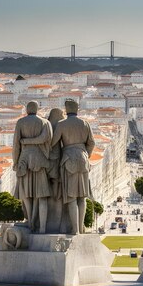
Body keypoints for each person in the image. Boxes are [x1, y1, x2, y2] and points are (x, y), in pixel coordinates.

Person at [51, 99, 95, 235]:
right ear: (77, 109)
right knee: (82, 196)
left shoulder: (62, 124)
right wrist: (86, 154)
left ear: (66, 110)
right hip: (83, 159)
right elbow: (92, 143)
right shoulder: (85, 123)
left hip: (68, 159)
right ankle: (81, 228)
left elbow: (54, 142)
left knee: (71, 197)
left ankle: (75, 230)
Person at [13, 101, 53, 233]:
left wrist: (15, 162)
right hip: (40, 161)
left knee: (26, 195)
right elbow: (47, 140)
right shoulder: (45, 123)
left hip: (24, 160)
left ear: (26, 110)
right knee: (41, 196)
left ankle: (30, 221)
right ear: (37, 109)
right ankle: (42, 227)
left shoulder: (20, 122)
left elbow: (16, 145)